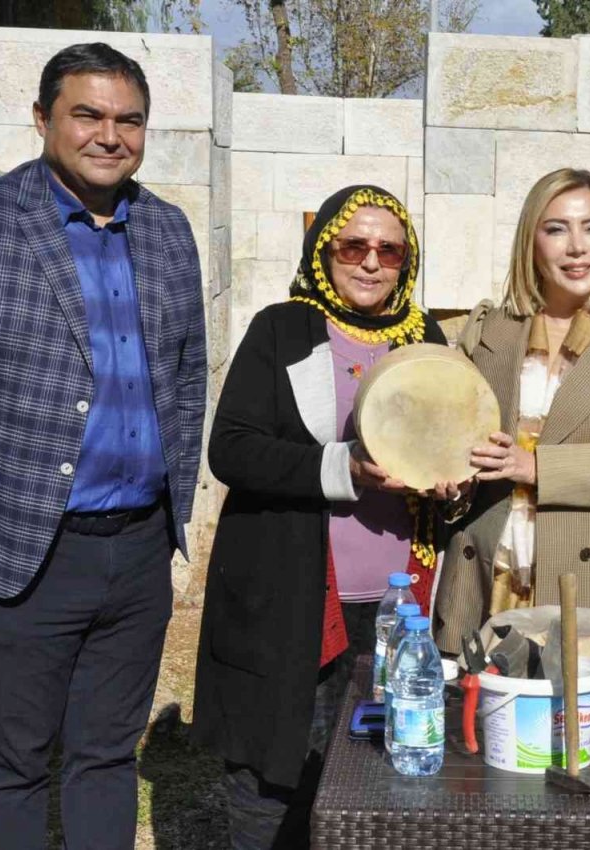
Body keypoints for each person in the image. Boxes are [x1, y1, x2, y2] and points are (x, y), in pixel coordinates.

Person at [0, 43, 206, 848]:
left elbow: (188, 376)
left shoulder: (167, 229)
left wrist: (175, 509)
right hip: (24, 548)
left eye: (128, 119)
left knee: (105, 757)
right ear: (42, 119)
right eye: (87, 114)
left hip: (136, 551)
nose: (110, 135)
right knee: (15, 762)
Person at [191, 184, 453, 847]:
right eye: (353, 244)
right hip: (291, 599)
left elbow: (446, 447)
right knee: (273, 783)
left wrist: (459, 481)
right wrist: (345, 469)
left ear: (407, 260)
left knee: (376, 783)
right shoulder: (282, 329)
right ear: (323, 251)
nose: (370, 261)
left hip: (400, 614)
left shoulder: (426, 338)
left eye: (389, 249)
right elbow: (233, 448)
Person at [433, 168, 590, 651]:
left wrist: (533, 464)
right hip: (488, 583)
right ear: (531, 241)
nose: (577, 247)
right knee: (484, 726)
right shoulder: (488, 330)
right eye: (556, 229)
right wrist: (450, 484)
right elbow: (453, 450)